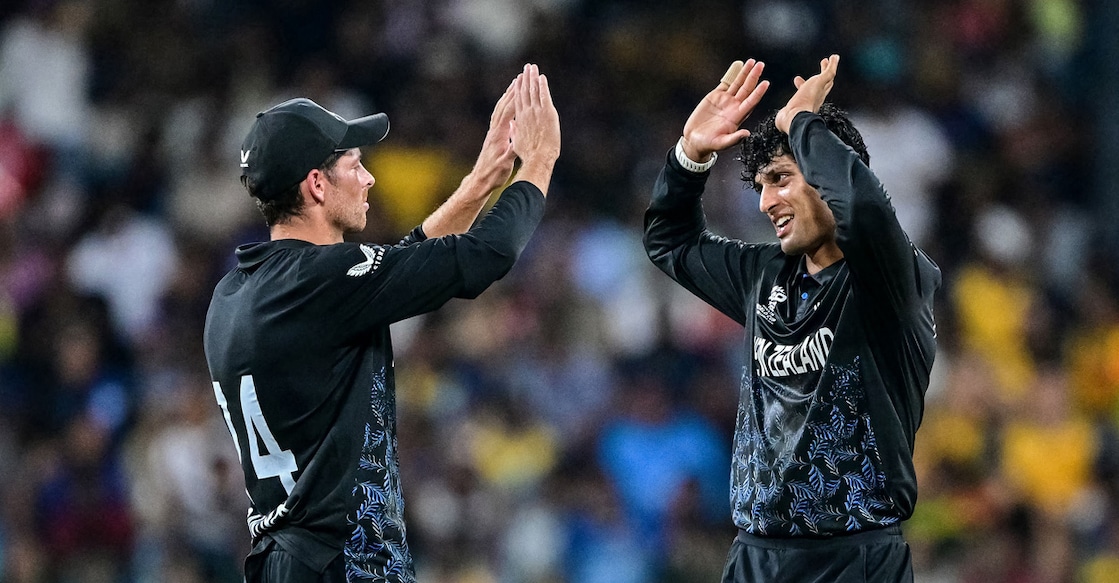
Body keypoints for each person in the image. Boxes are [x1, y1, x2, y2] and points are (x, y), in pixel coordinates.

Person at [203, 63, 560, 583]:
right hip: (343, 562)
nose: (369, 178)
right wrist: (540, 161)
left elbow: (399, 266)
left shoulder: (234, 293)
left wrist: (482, 180)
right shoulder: (322, 280)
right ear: (317, 184)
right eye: (355, 164)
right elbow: (488, 254)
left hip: (280, 561)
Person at [643, 55, 940, 582]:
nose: (766, 202)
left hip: (853, 560)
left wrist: (799, 122)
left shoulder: (892, 280)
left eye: (780, 179)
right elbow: (671, 241)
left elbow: (865, 211)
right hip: (754, 556)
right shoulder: (763, 275)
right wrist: (690, 157)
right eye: (760, 185)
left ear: (828, 175)